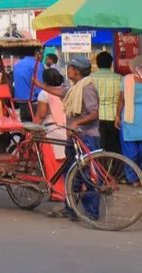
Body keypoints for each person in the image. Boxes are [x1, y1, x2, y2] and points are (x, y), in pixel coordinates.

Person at [54, 58, 100, 220]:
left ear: (78, 71)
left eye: (71, 68)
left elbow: (94, 112)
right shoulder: (75, 88)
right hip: (75, 136)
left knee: (88, 175)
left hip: (86, 136)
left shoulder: (87, 88)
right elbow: (62, 93)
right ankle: (71, 209)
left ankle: (91, 213)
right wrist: (39, 84)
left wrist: (76, 122)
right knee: (72, 174)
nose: (68, 71)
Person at [116, 56, 142, 185]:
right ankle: (137, 178)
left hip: (130, 116)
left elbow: (121, 100)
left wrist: (117, 116)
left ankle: (133, 179)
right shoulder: (126, 80)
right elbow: (121, 100)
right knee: (134, 151)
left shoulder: (126, 80)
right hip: (133, 117)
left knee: (130, 152)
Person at [90, 51, 123, 155]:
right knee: (114, 149)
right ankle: (113, 170)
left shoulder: (91, 78)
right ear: (111, 63)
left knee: (98, 150)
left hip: (96, 118)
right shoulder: (119, 78)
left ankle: (101, 170)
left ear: (98, 64)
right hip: (115, 118)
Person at [34, 67, 68, 161]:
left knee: (54, 159)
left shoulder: (44, 94)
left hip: (52, 129)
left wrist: (32, 127)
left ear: (45, 81)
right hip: (68, 127)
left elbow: (41, 115)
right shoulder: (65, 90)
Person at [12, 49, 43, 122]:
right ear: (36, 53)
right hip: (35, 103)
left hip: (22, 103)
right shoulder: (37, 64)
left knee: (26, 127)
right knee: (37, 129)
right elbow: (40, 86)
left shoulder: (17, 64)